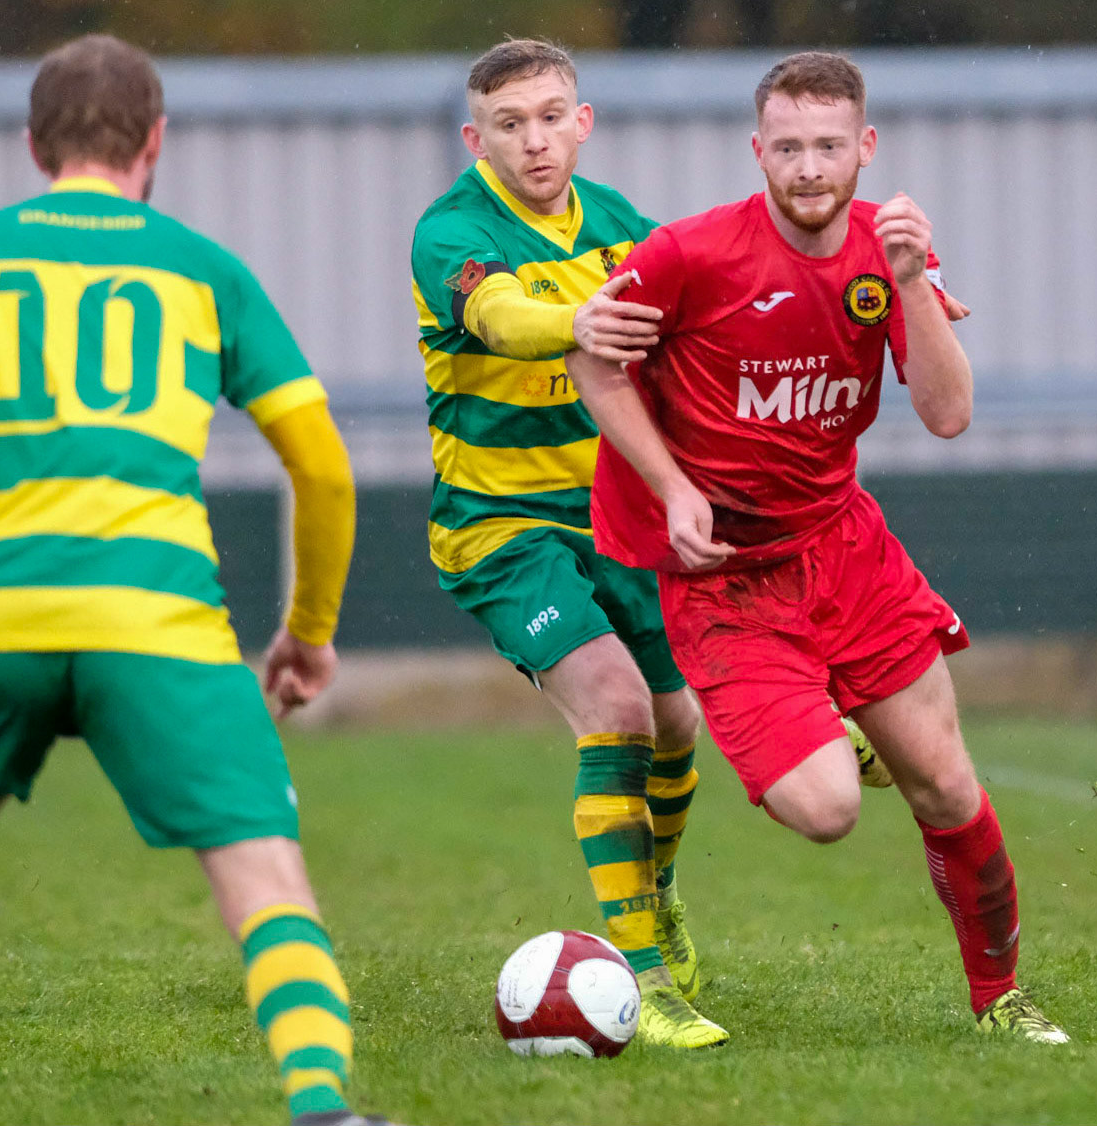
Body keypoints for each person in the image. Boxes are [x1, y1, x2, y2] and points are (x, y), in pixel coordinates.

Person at [0, 35, 392, 1126]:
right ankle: (319, 1104)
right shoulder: (205, 269)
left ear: (34, 146)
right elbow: (322, 463)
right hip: (160, 621)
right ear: (154, 143)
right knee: (262, 881)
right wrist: (308, 629)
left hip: (1, 609)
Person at [564, 50, 1069, 1044]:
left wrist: (916, 281)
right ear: (757, 150)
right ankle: (827, 728)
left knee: (948, 783)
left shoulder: (889, 256)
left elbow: (948, 413)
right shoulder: (688, 254)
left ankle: (999, 998)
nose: (807, 167)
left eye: (828, 146)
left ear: (864, 148)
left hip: (844, 551)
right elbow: (592, 358)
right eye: (787, 147)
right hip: (724, 583)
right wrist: (670, 489)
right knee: (828, 807)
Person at [409, 38, 901, 1051]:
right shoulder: (450, 230)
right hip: (502, 529)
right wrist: (581, 320)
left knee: (677, 721)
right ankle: (639, 979)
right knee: (620, 706)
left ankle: (658, 902)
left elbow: (715, 312)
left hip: (613, 517)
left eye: (551, 116)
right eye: (509, 124)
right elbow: (497, 317)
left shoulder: (625, 224)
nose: (534, 140)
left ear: (581, 124)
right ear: (476, 137)